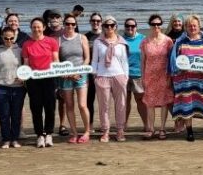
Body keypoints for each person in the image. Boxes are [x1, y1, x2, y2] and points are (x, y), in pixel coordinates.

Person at [169, 15, 203, 141]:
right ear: (186, 27)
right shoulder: (180, 42)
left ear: (199, 26)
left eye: (194, 25)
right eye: (189, 25)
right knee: (187, 105)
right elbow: (174, 61)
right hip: (186, 79)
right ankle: (189, 132)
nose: (192, 27)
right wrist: (178, 70)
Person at [21, 18, 60, 147]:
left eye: (39, 27)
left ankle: (48, 134)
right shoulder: (27, 44)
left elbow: (55, 60)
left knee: (50, 107)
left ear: (43, 27)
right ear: (31, 28)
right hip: (33, 80)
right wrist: (24, 77)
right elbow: (26, 64)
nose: (36, 29)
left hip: (49, 78)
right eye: (34, 27)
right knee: (36, 107)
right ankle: (39, 135)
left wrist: (59, 73)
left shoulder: (52, 41)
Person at [91, 16, 129, 141]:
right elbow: (94, 60)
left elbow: (124, 62)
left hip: (119, 76)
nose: (109, 28)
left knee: (121, 104)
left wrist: (125, 77)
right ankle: (105, 131)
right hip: (102, 77)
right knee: (104, 106)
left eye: (112, 25)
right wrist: (95, 75)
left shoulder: (122, 42)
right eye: (106, 25)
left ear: (115, 27)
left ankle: (120, 130)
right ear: (103, 27)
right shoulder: (98, 42)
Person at [0, 26, 25, 148]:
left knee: (16, 115)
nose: (8, 40)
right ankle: (6, 139)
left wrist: (23, 78)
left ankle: (14, 139)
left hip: (18, 87)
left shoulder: (20, 50)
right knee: (3, 115)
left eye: (11, 38)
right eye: (6, 38)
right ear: (2, 38)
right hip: (1, 87)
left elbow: (25, 67)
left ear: (14, 37)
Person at [58, 14, 91, 143]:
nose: (70, 26)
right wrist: (64, 72)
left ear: (76, 25)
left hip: (81, 75)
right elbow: (58, 60)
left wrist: (79, 72)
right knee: (69, 106)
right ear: (64, 25)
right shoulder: (59, 40)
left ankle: (87, 131)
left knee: (82, 105)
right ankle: (74, 133)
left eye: (72, 24)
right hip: (66, 76)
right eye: (67, 24)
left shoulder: (82, 38)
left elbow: (87, 58)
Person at [141, 14, 174, 138]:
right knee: (150, 103)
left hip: (164, 75)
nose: (156, 26)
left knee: (164, 103)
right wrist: (143, 77)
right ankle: (151, 128)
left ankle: (162, 129)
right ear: (150, 25)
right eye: (153, 24)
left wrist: (170, 77)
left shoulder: (167, 41)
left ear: (161, 25)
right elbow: (142, 61)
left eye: (158, 24)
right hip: (149, 76)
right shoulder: (145, 41)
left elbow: (171, 60)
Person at [122, 18, 147, 134]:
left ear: (136, 26)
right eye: (128, 26)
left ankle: (147, 124)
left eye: (132, 26)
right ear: (124, 27)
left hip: (138, 74)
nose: (130, 28)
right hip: (123, 75)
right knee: (125, 101)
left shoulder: (143, 39)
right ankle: (123, 124)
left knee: (140, 100)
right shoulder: (120, 39)